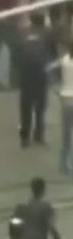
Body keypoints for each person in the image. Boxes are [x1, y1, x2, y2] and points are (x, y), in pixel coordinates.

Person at [14, 15, 53, 147]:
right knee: (41, 106)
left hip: (25, 75)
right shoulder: (47, 33)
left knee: (25, 106)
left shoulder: (22, 33)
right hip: (41, 74)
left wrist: (17, 71)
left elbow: (16, 54)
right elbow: (53, 53)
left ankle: (24, 138)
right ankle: (39, 135)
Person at [53, 42, 73, 175]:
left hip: (66, 98)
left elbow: (50, 68)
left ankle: (63, 163)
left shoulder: (64, 60)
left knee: (66, 134)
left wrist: (57, 90)